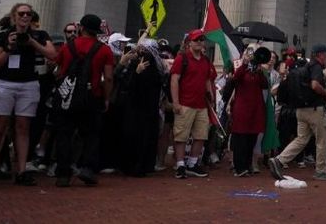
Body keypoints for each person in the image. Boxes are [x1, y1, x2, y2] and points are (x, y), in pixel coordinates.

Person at [0, 3, 56, 186]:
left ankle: (21, 171)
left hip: (28, 85)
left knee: (23, 128)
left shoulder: (39, 35)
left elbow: (52, 54)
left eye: (29, 14)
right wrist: (9, 48)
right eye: (21, 13)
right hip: (5, 84)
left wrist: (32, 42)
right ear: (14, 16)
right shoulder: (2, 37)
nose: (25, 16)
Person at [52, 14, 114, 187]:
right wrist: (107, 98)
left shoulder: (67, 47)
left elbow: (58, 70)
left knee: (64, 134)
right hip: (92, 96)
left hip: (67, 97)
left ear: (82, 28)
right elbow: (108, 77)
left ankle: (63, 173)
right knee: (91, 135)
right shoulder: (104, 50)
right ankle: (87, 168)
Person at [269, 45, 326, 181]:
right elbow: (315, 85)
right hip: (314, 109)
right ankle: (321, 170)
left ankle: (279, 160)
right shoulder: (316, 67)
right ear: (320, 54)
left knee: (301, 139)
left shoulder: (304, 68)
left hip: (300, 109)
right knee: (323, 140)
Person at [170, 29, 216, 179]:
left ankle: (192, 163)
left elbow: (207, 80)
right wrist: (176, 102)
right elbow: (174, 80)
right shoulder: (182, 59)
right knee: (181, 136)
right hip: (185, 103)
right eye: (197, 40)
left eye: (202, 40)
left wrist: (211, 98)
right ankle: (180, 164)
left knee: (201, 135)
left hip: (201, 104)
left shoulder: (205, 60)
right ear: (189, 42)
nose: (200, 43)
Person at [117, 38, 166, 176]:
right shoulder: (134, 64)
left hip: (150, 108)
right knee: (133, 136)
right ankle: (131, 166)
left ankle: (145, 166)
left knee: (148, 137)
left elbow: (160, 85)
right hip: (134, 108)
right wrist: (136, 73)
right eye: (141, 50)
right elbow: (126, 84)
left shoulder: (157, 67)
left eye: (146, 50)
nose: (143, 53)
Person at [230, 47, 271, 177]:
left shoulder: (258, 72)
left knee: (251, 139)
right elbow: (236, 78)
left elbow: (265, 85)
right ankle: (239, 167)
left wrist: (260, 71)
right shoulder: (241, 68)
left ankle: (247, 165)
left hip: (255, 109)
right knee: (240, 138)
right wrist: (245, 63)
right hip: (242, 109)